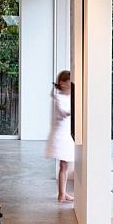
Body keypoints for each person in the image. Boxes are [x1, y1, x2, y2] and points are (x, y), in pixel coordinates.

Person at [46, 70, 75, 202]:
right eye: (68, 83)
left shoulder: (66, 97)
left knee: (65, 166)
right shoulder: (59, 98)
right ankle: (62, 194)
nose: (70, 85)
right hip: (61, 136)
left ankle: (63, 193)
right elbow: (64, 113)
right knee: (64, 166)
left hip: (65, 135)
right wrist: (77, 109)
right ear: (62, 83)